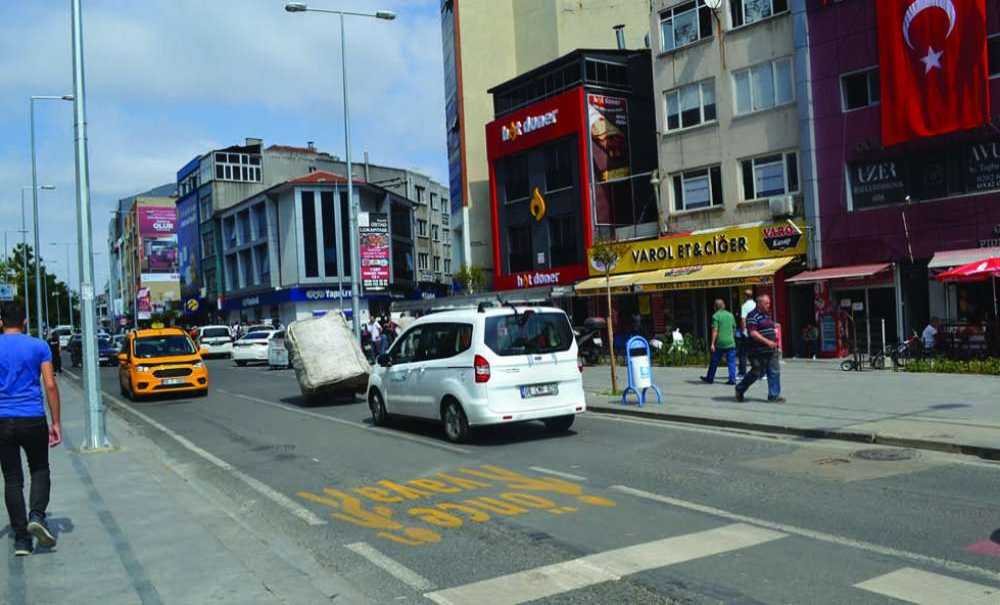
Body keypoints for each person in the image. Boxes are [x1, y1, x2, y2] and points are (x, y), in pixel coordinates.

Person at [0, 302, 62, 556]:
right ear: (24, 321)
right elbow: (49, 385)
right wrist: (56, 421)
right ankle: (36, 515)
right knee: (39, 468)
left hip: (2, 420)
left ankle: (22, 540)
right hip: (33, 418)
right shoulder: (38, 346)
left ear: (1, 322)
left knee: (12, 479)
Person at [735, 294, 783, 403]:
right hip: (757, 350)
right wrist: (767, 342)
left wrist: (775, 340)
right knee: (756, 372)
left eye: (769, 303)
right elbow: (753, 333)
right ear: (759, 303)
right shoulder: (752, 316)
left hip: (771, 349)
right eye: (766, 303)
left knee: (774, 371)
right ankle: (740, 388)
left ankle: (774, 395)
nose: (769, 305)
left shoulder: (766, 315)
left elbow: (769, 328)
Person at [701, 299, 737, 385]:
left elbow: (715, 330)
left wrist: (712, 343)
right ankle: (732, 379)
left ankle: (710, 378)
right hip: (730, 341)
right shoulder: (730, 315)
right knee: (731, 362)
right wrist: (732, 337)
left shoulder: (715, 316)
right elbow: (734, 328)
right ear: (723, 306)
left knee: (714, 361)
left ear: (715, 307)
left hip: (720, 342)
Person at [737, 289, 756, 378]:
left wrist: (743, 331)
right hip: (756, 331)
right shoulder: (756, 304)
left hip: (747, 332)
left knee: (743, 353)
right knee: (755, 351)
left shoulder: (744, 306)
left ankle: (742, 372)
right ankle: (759, 371)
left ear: (745, 296)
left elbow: (743, 319)